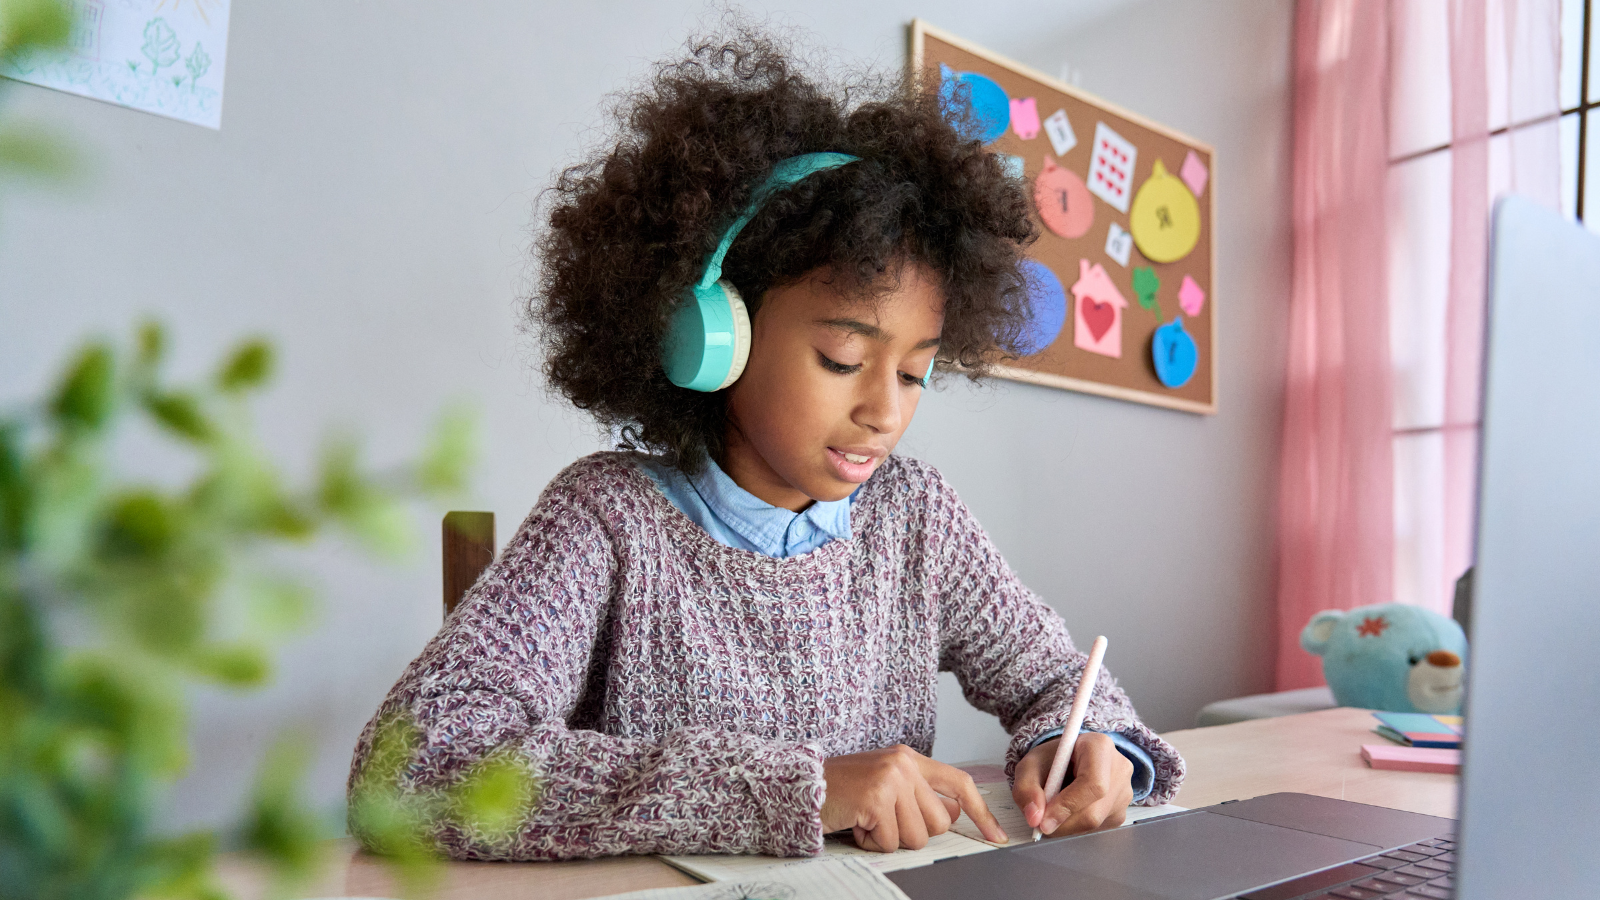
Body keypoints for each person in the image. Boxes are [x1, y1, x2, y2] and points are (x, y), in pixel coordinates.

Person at [348, 30, 1184, 861]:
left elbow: (1055, 681)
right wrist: (800, 785)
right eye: (843, 359)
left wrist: (1087, 744)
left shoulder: (915, 517)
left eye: (915, 374)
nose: (883, 411)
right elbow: (412, 769)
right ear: (718, 336)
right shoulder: (608, 519)